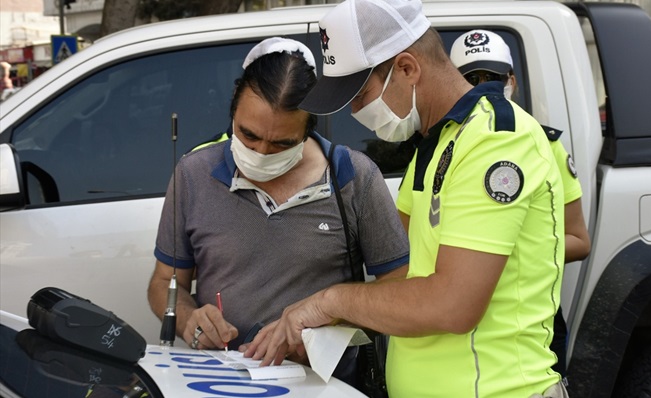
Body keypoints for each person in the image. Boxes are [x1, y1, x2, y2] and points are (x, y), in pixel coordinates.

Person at [245, 0, 569, 397]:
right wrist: (315, 323)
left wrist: (330, 302)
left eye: (361, 95)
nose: (357, 111)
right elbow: (401, 284)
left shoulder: (496, 143)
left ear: (407, 68)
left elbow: (453, 305)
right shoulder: (436, 145)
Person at [147, 37, 409, 385]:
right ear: (233, 112)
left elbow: (402, 293)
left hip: (330, 387)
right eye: (249, 135)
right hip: (223, 383)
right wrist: (187, 320)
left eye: (282, 143)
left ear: (308, 130)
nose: (261, 153)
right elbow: (165, 283)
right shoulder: (193, 175)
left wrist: (325, 328)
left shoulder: (353, 177)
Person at [450, 29, 591, 378]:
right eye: (472, 79)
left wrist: (507, 254)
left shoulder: (547, 146)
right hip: (455, 326)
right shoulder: (442, 150)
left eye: (493, 79)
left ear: (511, 80)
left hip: (528, 321)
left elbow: (579, 239)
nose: (483, 88)